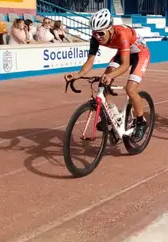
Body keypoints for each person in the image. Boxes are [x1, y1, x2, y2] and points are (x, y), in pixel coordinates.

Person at [64, 8, 150, 142]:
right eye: (94, 33)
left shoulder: (122, 34)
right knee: (102, 85)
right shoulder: (95, 38)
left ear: (110, 29)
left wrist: (111, 76)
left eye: (100, 33)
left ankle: (141, 122)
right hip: (122, 53)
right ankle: (113, 116)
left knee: (130, 89)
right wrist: (78, 74)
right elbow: (90, 60)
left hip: (140, 53)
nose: (97, 37)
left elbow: (125, 65)